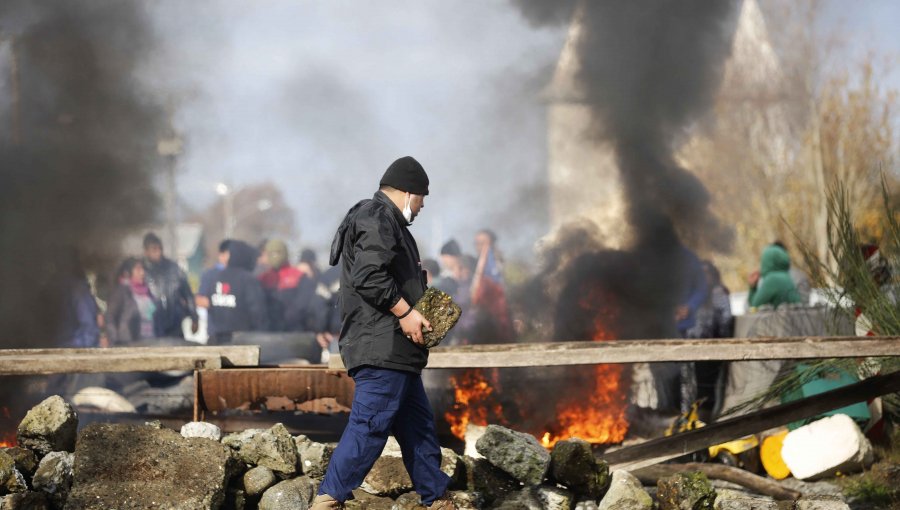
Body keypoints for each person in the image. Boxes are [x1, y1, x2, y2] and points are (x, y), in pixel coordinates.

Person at [314, 156, 456, 510]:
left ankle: (436, 497)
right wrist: (406, 312)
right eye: (422, 197)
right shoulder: (377, 218)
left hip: (397, 352)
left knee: (418, 428)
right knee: (369, 426)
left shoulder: (386, 222)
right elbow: (368, 276)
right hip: (382, 350)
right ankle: (328, 500)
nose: (422, 206)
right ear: (409, 193)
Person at [203, 240, 268, 344]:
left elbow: (210, 304)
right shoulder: (248, 280)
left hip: (215, 338)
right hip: (242, 340)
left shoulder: (215, 277)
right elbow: (258, 312)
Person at [141, 232, 198, 337]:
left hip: (174, 322)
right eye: (154, 249)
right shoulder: (142, 271)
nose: (158, 252)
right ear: (146, 252)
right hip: (152, 326)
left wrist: (194, 317)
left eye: (159, 248)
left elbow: (188, 294)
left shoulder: (173, 268)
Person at [106, 258, 161, 344]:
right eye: (138, 269)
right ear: (127, 273)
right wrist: (115, 341)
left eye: (143, 269)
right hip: (129, 342)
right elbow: (110, 317)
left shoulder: (148, 291)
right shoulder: (121, 291)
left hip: (151, 341)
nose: (142, 272)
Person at [747, 243, 801, 309]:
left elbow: (755, 305)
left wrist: (752, 287)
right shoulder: (787, 276)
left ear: (767, 261)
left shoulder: (772, 279)